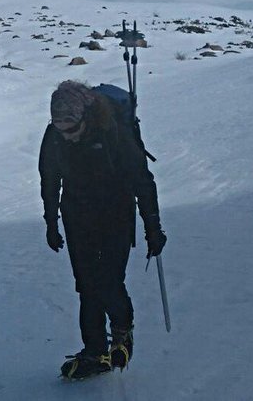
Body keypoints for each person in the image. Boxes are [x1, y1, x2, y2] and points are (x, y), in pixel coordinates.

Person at [38, 80, 166, 380]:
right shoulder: (55, 136)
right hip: (77, 216)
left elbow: (142, 181)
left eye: (71, 129)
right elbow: (49, 179)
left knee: (108, 280)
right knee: (86, 285)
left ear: (85, 117)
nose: (67, 136)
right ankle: (95, 350)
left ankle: (122, 331)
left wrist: (153, 227)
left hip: (115, 214)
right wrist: (51, 222)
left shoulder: (113, 132)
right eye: (60, 129)